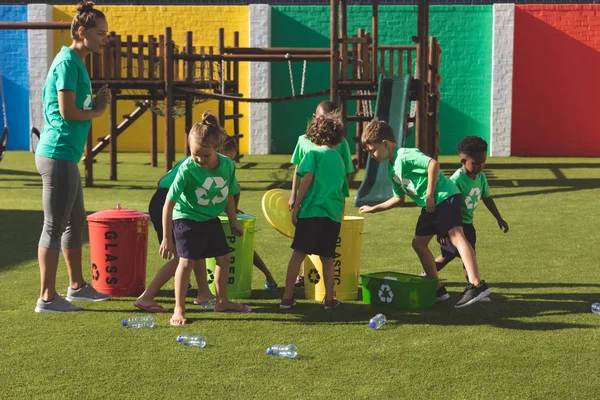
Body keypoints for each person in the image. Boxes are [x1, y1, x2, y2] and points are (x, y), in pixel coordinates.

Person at [358, 120, 491, 308]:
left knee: (456, 235)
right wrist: (374, 208)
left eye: (373, 150)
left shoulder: (405, 155)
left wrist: (429, 194)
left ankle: (477, 284)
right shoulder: (391, 169)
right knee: (418, 243)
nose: (371, 155)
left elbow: (433, 164)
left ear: (386, 144)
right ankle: (436, 288)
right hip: (431, 207)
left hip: (444, 197)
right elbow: (398, 199)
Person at [34, 1, 112, 312]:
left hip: (66, 154)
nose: (105, 38)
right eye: (101, 33)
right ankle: (47, 298)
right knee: (54, 225)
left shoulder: (76, 62)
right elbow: (67, 111)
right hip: (58, 153)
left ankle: (77, 287)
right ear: (82, 32)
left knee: (74, 221)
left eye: (107, 33)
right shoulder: (68, 62)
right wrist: (98, 109)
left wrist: (95, 102)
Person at [161, 116, 251, 326]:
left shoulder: (227, 165)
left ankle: (222, 301)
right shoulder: (187, 169)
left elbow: (228, 195)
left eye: (205, 155)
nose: (199, 159)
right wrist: (167, 237)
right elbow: (168, 204)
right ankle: (179, 309)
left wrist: (233, 221)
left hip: (210, 218)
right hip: (186, 217)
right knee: (187, 262)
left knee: (224, 258)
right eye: (194, 154)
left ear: (216, 148)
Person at [280, 110, 349, 310]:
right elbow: (343, 191)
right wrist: (340, 216)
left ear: (313, 135)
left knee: (298, 254)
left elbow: (307, 178)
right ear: (337, 138)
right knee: (327, 258)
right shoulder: (339, 159)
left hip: (311, 213)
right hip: (332, 215)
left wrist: (297, 204)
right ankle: (329, 299)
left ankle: (287, 297)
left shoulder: (312, 154)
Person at [434, 136, 509, 279]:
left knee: (462, 256)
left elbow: (487, 198)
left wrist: (499, 218)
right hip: (454, 226)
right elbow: (443, 206)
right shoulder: (455, 181)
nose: (481, 166)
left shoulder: (481, 177)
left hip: (468, 225)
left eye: (483, 162)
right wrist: (442, 231)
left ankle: (470, 285)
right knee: (455, 256)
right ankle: (429, 275)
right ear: (464, 161)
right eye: (476, 163)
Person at [221, 136, 278, 291]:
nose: (229, 162)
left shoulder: (225, 166)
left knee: (241, 247)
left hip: (219, 216)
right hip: (203, 214)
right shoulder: (205, 163)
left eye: (232, 159)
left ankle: (268, 276)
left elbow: (235, 189)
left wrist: (232, 212)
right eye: (227, 158)